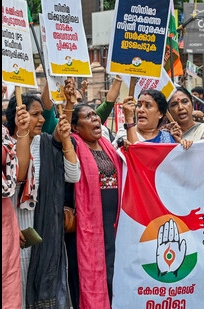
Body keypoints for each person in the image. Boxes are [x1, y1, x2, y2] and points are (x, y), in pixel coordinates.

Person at [5, 91, 81, 309]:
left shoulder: (46, 144)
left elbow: (74, 175)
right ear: (19, 115)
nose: (42, 119)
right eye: (35, 114)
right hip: (14, 233)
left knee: (42, 291)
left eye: (41, 114)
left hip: (44, 232)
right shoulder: (7, 146)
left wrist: (66, 141)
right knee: (16, 291)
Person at [66, 102, 124, 309]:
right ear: (75, 128)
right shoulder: (72, 144)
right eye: (88, 116)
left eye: (95, 115)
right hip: (89, 224)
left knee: (114, 270)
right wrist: (68, 104)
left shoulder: (107, 145)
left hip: (113, 222)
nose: (95, 118)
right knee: (95, 271)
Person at [2, 96, 31, 309]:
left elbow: (19, 174)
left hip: (5, 222)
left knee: (9, 289)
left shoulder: (3, 134)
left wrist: (22, 131)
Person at [113, 89, 190, 149]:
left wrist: (183, 146)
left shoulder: (167, 139)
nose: (140, 110)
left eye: (148, 106)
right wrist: (129, 120)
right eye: (139, 105)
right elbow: (136, 155)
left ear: (160, 113)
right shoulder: (124, 133)